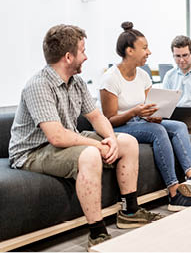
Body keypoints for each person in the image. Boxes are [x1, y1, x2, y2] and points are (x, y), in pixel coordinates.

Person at [8, 24, 162, 250]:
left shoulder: (76, 82)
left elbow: (97, 116)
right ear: (69, 56)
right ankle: (97, 233)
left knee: (127, 142)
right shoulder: (39, 85)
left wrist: (110, 138)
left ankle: (130, 211)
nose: (86, 56)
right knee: (90, 153)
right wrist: (97, 145)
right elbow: (57, 136)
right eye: (83, 51)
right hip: (33, 152)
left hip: (65, 140)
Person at [99, 22, 191, 212]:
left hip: (140, 121)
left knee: (179, 126)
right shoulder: (110, 78)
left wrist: (155, 115)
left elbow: (150, 106)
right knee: (157, 131)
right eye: (145, 48)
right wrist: (135, 112)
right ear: (130, 51)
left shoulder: (143, 76)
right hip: (120, 126)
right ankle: (174, 193)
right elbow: (108, 120)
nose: (149, 52)